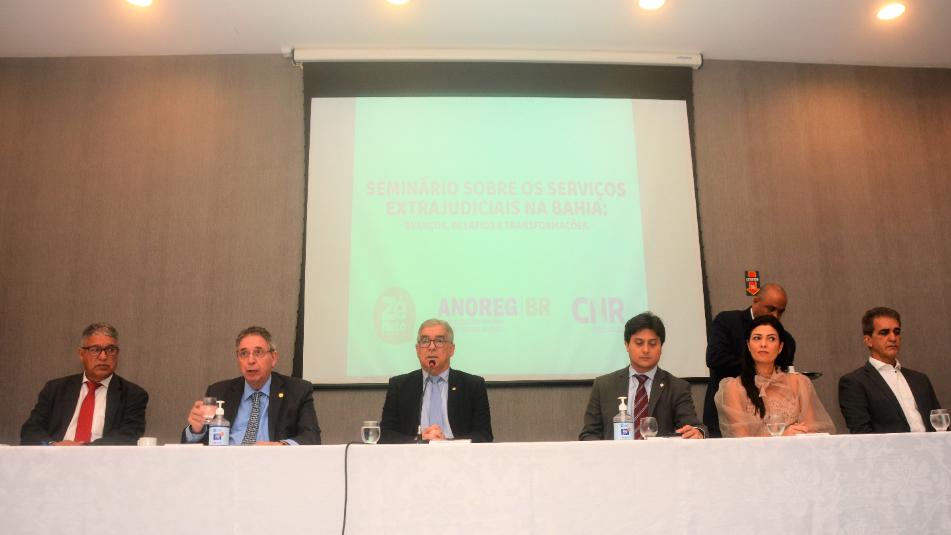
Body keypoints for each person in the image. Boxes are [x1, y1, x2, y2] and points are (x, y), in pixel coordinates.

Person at [182, 326, 320, 445]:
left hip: (272, 463)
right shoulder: (219, 391)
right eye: (244, 353)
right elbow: (199, 447)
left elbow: (312, 437)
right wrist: (196, 430)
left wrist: (280, 445)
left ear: (273, 358)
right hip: (226, 463)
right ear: (238, 359)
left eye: (258, 352)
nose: (251, 360)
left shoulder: (297, 391)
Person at [580, 312, 705, 440]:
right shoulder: (604, 386)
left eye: (652, 343)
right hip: (615, 453)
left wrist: (697, 432)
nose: (646, 350)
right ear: (627, 345)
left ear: (661, 347)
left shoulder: (677, 388)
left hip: (660, 453)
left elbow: (692, 426)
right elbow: (589, 434)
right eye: (639, 343)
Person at [20, 322, 149, 445]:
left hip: (102, 459)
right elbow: (30, 430)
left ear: (117, 354)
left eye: (110, 349)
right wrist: (53, 446)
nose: (103, 357)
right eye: (95, 349)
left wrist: (83, 449)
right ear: (81, 354)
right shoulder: (55, 389)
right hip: (55, 456)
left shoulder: (133, 395)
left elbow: (128, 437)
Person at [715, 315, 834, 437]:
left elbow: (810, 432)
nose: (763, 344)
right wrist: (782, 437)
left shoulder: (799, 382)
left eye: (771, 339)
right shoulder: (734, 388)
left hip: (798, 448)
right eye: (757, 338)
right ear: (748, 345)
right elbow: (742, 441)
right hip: (756, 450)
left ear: (780, 347)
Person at [703, 283, 797, 437]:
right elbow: (715, 359)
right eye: (770, 309)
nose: (775, 316)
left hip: (771, 419)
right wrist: (760, 366)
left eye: (780, 312)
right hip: (725, 414)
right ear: (756, 301)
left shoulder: (786, 340)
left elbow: (785, 375)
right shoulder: (728, 321)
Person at [379, 318, 493, 443]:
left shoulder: (473, 385)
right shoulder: (399, 386)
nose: (431, 347)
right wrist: (418, 439)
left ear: (451, 349)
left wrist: (447, 443)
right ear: (417, 350)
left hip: (457, 453)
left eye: (439, 341)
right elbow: (385, 435)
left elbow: (484, 435)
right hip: (414, 453)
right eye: (425, 341)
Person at [838, 307, 942, 434]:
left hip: (933, 445)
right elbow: (862, 433)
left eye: (897, 332)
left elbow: (940, 425)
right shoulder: (854, 382)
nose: (893, 338)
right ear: (868, 340)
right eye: (884, 332)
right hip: (890, 447)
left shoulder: (920, 379)